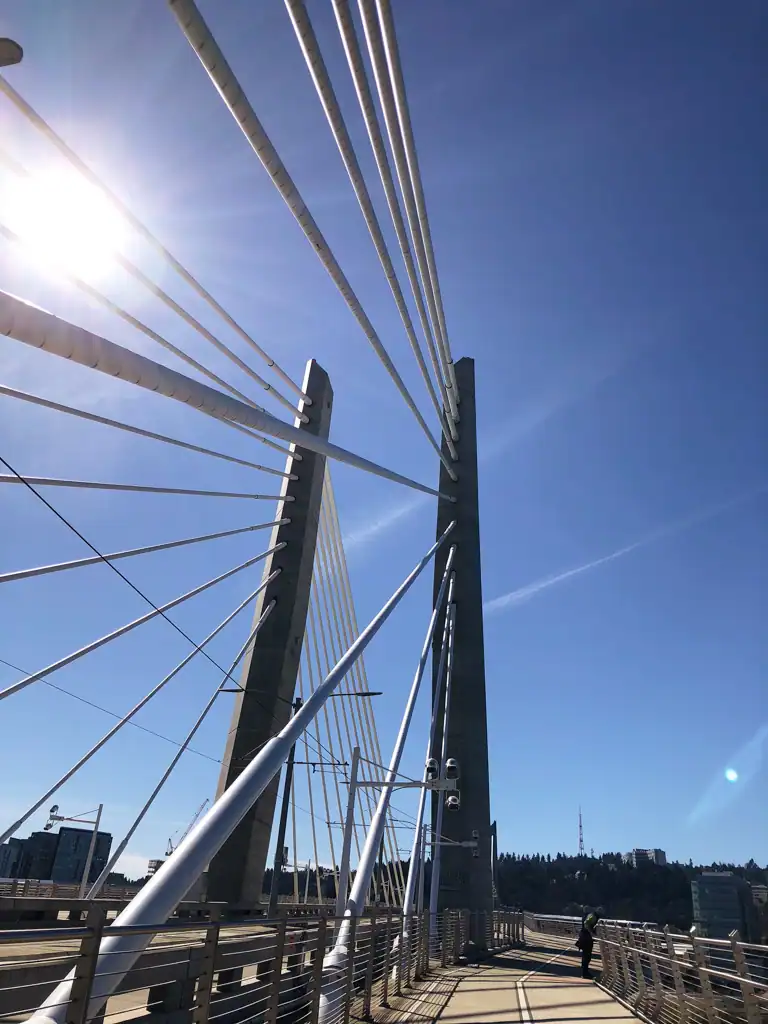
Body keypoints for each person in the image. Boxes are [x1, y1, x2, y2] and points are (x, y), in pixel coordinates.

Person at [575, 908, 602, 978]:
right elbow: (586, 923)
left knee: (586, 955)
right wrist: (591, 933)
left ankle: (585, 972)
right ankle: (585, 973)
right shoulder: (593, 916)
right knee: (587, 955)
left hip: (584, 935)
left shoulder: (590, 915)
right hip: (586, 937)